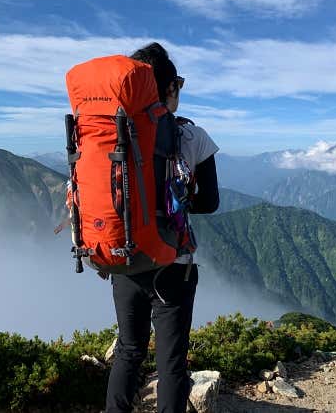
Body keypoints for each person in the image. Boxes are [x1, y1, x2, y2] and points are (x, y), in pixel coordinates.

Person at [105, 42, 219, 413]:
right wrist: (174, 204)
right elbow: (210, 202)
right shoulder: (192, 136)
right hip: (172, 261)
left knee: (128, 350)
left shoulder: (111, 133)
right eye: (178, 85)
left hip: (123, 256)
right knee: (171, 362)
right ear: (169, 87)